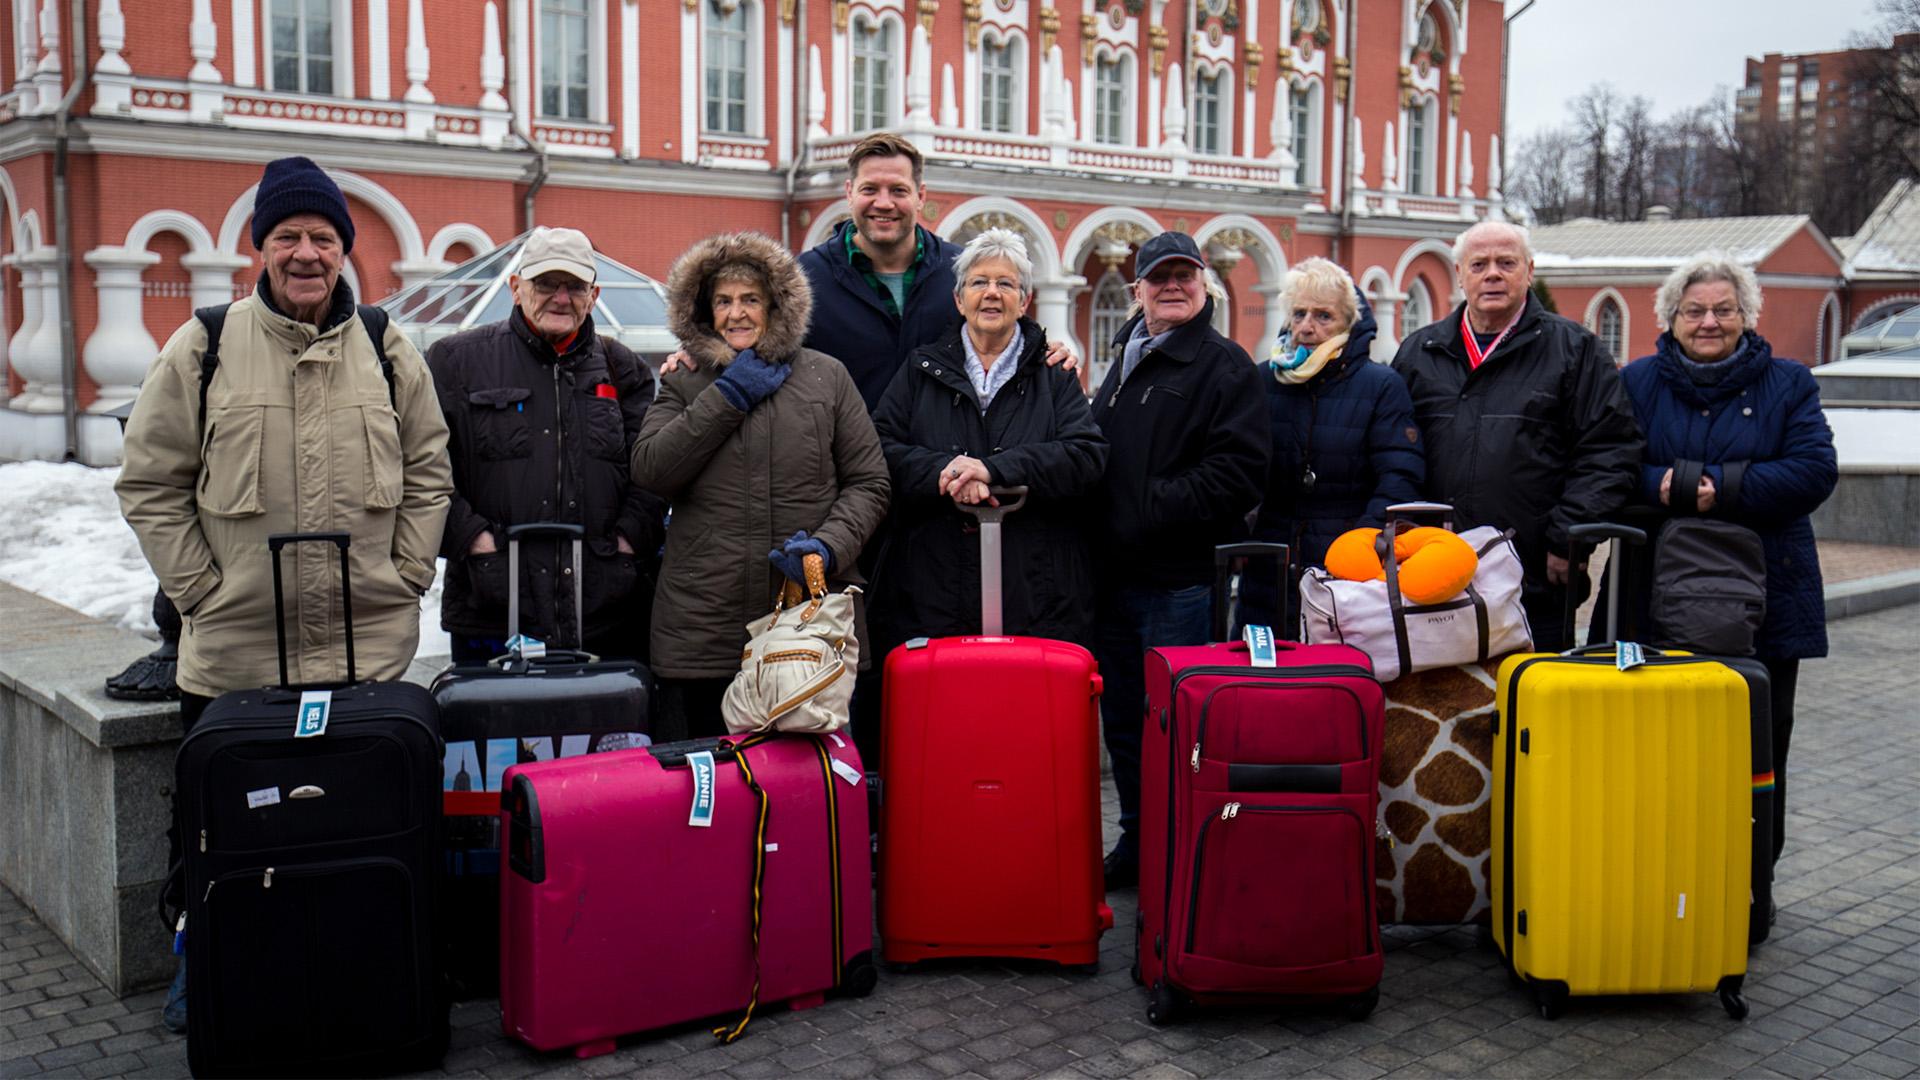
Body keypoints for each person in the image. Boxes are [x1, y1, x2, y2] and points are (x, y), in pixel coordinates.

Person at [115, 155, 452, 1032]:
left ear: (345, 249)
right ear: (259, 249)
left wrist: (406, 574)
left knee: (355, 828)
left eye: (323, 237)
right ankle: (210, 963)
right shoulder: (205, 344)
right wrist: (201, 592)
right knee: (216, 828)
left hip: (364, 653)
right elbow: (150, 483)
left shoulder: (387, 347)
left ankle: (359, 973)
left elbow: (429, 474)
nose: (306, 253)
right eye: (288, 237)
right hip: (236, 658)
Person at [1619, 254, 1836, 885]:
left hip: (1767, 595)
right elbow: (1608, 464)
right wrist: (1666, 482)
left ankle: (1749, 887)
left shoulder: (1789, 382)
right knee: (1654, 744)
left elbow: (1814, 470)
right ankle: (1659, 878)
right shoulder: (1637, 383)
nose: (1709, 322)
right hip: (1651, 591)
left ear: (1746, 315)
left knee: (1758, 744)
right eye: (1695, 311)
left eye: (1724, 309)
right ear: (1670, 317)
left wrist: (1721, 488)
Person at [631, 231, 890, 740]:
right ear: (704, 312)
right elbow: (651, 470)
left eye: (751, 299)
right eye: (723, 302)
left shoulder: (827, 377)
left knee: (805, 787)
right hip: (702, 629)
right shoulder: (686, 379)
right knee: (710, 788)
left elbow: (869, 481)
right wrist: (726, 395)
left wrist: (827, 547)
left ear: (778, 306)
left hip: (807, 625)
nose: (737, 314)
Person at [1088, 231, 1270, 889]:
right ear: (1137, 290)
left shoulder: (1225, 367)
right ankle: (1139, 840)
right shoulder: (1128, 357)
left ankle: (1178, 849)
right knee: (1127, 729)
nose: (1172, 287)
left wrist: (1145, 507)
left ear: (1203, 284)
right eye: (1158, 277)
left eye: (1183, 275)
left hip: (1178, 584)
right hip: (1116, 582)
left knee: (1175, 729)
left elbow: (1239, 475)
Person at [1392, 221, 1642, 651]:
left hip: (1533, 573)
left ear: (1529, 271)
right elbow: (1395, 452)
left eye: (1506, 263)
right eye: (1480, 264)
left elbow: (1609, 450)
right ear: (1459, 274)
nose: (1493, 274)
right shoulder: (1420, 352)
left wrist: (1568, 537)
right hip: (1432, 571)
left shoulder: (1575, 351)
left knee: (1527, 702)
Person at [426, 226, 664, 662]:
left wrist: (627, 545)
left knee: (605, 727)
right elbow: (424, 472)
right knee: (493, 727)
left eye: (574, 286)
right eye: (546, 284)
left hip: (604, 610)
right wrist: (474, 541)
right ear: (516, 288)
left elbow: (652, 475)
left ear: (594, 296)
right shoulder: (456, 362)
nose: (560, 297)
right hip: (492, 608)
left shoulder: (623, 370)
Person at [869, 228, 1108, 653]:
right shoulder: (921, 368)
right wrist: (948, 471)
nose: (992, 293)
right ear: (960, 299)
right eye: (979, 282)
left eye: (1006, 283)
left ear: (1025, 300)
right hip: (933, 586)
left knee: (1023, 707)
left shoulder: (1053, 373)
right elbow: (880, 449)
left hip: (1034, 588)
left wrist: (995, 469)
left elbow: (1085, 456)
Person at [1244, 257, 1424, 633]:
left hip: (1346, 565)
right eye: (1298, 314)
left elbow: (1399, 475)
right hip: (1270, 563)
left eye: (1323, 316)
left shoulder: (1380, 386)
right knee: (1263, 677)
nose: (1307, 327)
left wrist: (1364, 543)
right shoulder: (1265, 379)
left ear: (1349, 323)